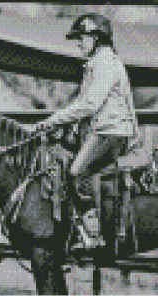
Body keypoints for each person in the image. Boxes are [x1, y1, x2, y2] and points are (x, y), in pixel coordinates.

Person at [36, 13, 140, 250]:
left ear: (96, 38)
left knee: (77, 172)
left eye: (82, 38)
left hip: (110, 132)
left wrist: (54, 119)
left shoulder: (103, 64)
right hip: (106, 130)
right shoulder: (101, 62)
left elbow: (90, 104)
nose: (79, 43)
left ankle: (94, 235)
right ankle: (75, 227)